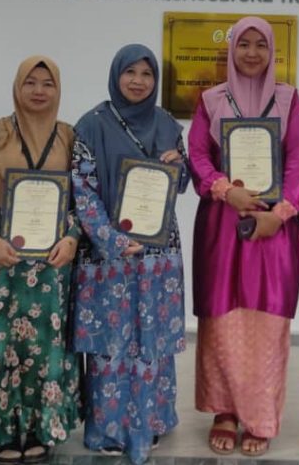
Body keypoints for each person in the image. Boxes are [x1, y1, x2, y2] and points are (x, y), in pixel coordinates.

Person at [188, 16, 299, 457]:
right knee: (223, 319)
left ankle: (259, 415)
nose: (253, 52)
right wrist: (226, 189)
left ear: (272, 50)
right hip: (223, 224)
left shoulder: (288, 99)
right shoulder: (211, 100)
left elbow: (297, 158)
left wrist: (281, 213)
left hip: (273, 228)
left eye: (261, 44)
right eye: (244, 44)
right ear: (232, 49)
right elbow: (198, 155)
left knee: (266, 322)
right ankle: (224, 411)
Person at [0, 56, 81, 463]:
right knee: (1, 344)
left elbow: (83, 194)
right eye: (31, 82)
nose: (39, 90)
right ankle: (4, 431)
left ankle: (41, 428)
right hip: (2, 264)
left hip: (51, 267)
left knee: (45, 349)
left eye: (48, 83)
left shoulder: (69, 136)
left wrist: (73, 237)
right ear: (17, 86)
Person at [71, 44, 189, 464]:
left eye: (147, 74)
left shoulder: (167, 123)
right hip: (110, 254)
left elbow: (181, 183)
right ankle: (108, 426)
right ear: (116, 75)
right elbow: (82, 190)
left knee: (152, 340)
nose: (138, 81)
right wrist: (111, 239)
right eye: (130, 72)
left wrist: (180, 166)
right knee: (111, 342)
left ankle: (151, 420)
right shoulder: (91, 124)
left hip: (158, 254)